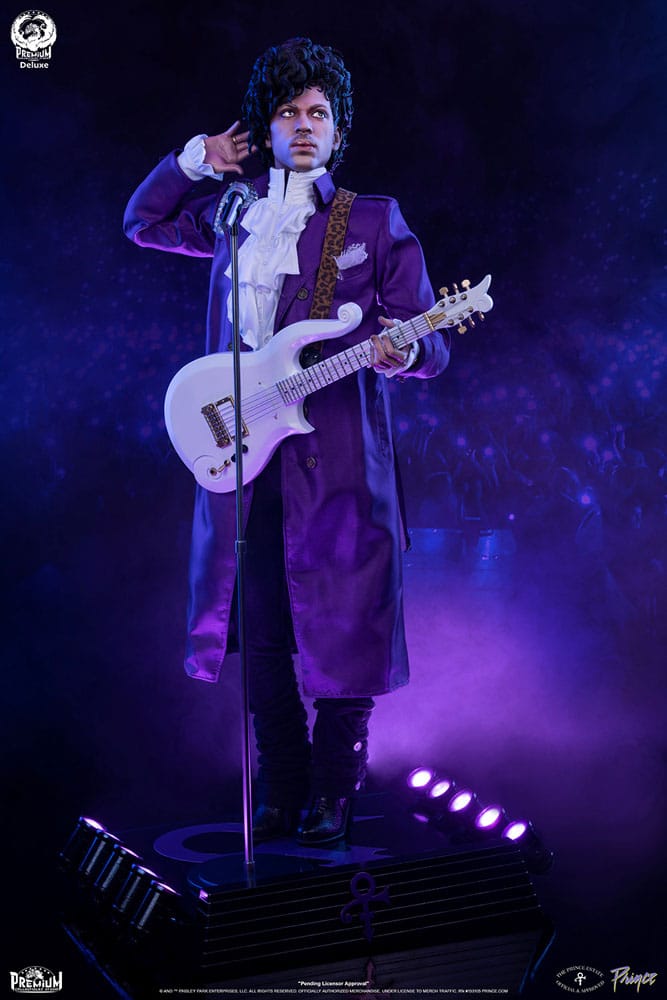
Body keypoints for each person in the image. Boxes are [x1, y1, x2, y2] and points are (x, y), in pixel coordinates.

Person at [123, 37, 451, 845]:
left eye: (317, 113)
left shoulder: (370, 219)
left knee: (346, 623)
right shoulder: (233, 214)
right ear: (264, 129)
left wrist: (404, 351)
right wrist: (196, 160)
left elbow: (432, 343)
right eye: (286, 112)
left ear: (337, 131)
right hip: (244, 448)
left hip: (336, 456)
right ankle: (281, 782)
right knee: (262, 623)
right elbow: (143, 222)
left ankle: (333, 791)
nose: (303, 125)